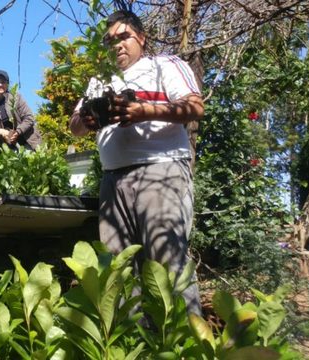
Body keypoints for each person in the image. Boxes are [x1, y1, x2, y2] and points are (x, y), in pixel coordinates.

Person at [69, 11, 204, 315]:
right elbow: (74, 125)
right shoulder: (98, 81)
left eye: (123, 37)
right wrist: (87, 119)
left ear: (141, 38)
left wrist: (143, 110)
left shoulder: (164, 65)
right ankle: (134, 344)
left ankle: (187, 345)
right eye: (109, 40)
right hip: (112, 181)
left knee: (167, 263)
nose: (116, 45)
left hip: (160, 171)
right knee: (117, 268)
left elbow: (195, 106)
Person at [0, 70, 42, 150]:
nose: (0, 84)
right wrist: (1, 131)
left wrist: (17, 132)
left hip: (29, 143)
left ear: (7, 85)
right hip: (8, 147)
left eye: (3, 82)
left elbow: (29, 118)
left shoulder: (16, 98)